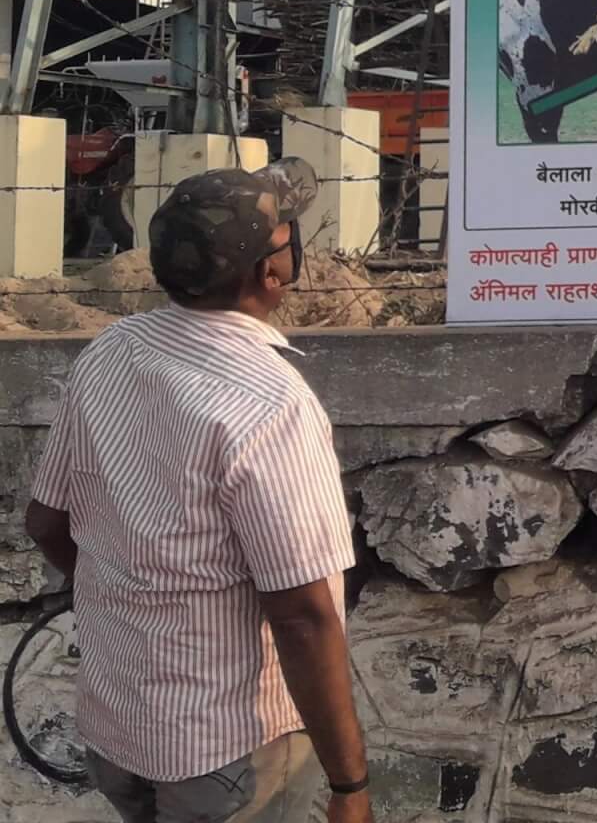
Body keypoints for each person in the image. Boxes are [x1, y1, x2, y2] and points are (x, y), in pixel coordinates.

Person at [23, 159, 371, 823]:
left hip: (116, 727)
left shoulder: (109, 352)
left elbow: (46, 522)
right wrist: (350, 786)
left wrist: (135, 596)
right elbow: (303, 616)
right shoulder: (271, 403)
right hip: (230, 752)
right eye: (290, 230)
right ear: (273, 272)